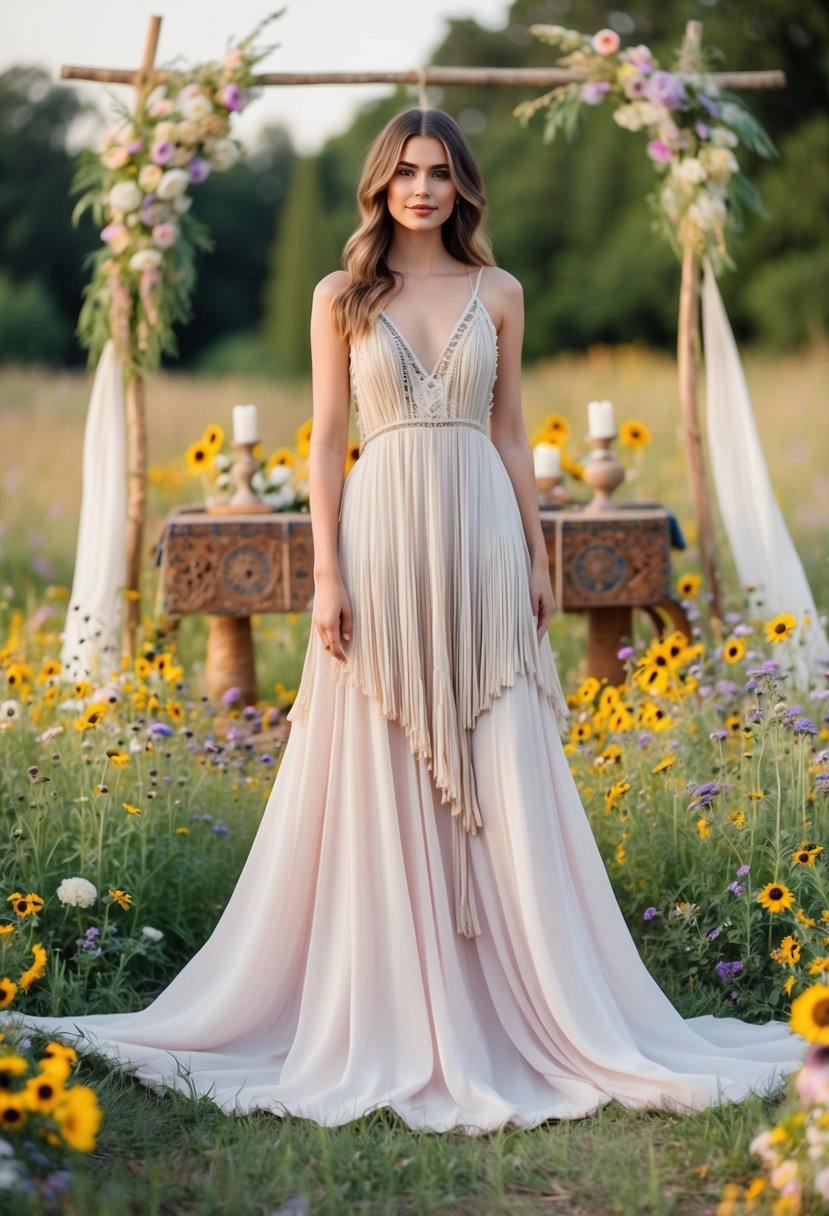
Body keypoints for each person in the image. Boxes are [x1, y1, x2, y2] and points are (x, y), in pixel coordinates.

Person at [9, 108, 803, 1133]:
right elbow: (328, 439)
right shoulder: (341, 296)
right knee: (380, 748)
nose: (422, 188)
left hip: (478, 535)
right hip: (379, 540)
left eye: (439, 172)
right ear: (380, 185)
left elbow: (512, 431)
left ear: (463, 187)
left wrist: (535, 551)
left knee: (502, 749)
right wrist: (326, 572)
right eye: (405, 172)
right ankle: (394, 998)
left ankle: (523, 993)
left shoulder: (500, 292)